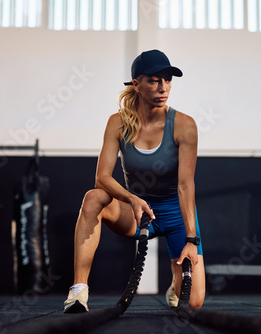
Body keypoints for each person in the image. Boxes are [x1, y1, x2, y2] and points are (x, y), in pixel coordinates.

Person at [63, 49, 206, 313]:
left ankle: (176, 284)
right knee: (93, 197)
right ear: (136, 85)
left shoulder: (185, 125)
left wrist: (191, 240)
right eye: (154, 80)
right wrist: (132, 199)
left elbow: (186, 185)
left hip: (176, 213)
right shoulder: (117, 123)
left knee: (194, 302)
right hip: (137, 211)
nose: (163, 87)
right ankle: (78, 290)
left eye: (167, 80)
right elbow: (102, 177)